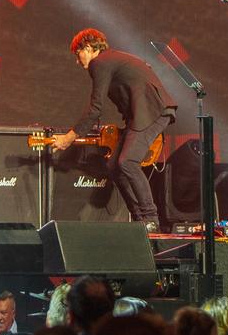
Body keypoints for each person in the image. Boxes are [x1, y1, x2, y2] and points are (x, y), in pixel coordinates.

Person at [50, 28, 177, 231]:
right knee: (114, 167)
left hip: (153, 111)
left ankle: (150, 219)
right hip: (144, 113)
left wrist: (69, 138)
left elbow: (95, 108)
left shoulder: (99, 62)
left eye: (78, 54)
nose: (77, 60)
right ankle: (140, 219)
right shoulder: (111, 60)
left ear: (89, 48)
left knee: (127, 162)